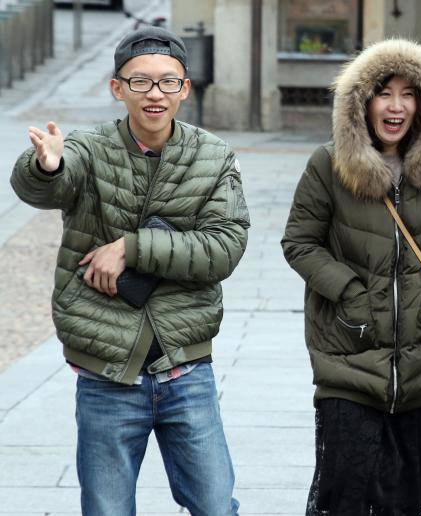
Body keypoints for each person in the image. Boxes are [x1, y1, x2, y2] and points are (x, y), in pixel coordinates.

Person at [10, 26, 249, 515]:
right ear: (117, 88)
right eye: (140, 81)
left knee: (216, 506)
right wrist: (47, 167)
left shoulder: (213, 155)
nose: (154, 93)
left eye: (167, 81)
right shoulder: (90, 147)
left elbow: (224, 248)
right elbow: (47, 185)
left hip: (186, 367)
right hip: (106, 370)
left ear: (184, 88)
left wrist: (132, 248)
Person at [281, 39, 421, 515]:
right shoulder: (327, 164)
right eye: (384, 93)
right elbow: (299, 242)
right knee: (346, 495)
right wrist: (349, 293)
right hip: (348, 359)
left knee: (414, 500)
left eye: (408, 95)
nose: (395, 106)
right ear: (361, 102)